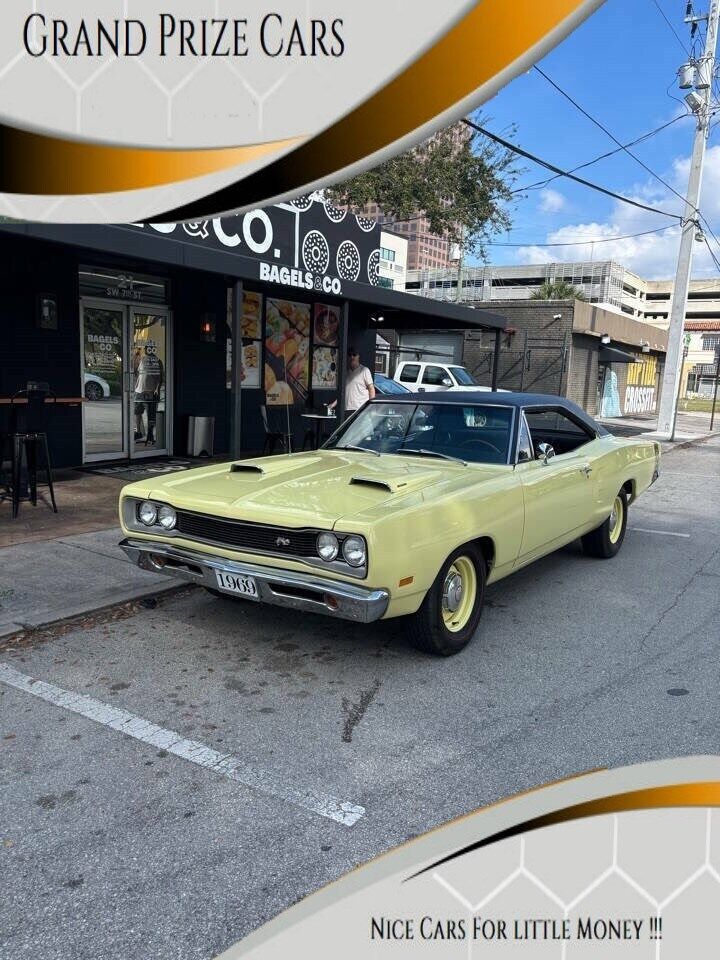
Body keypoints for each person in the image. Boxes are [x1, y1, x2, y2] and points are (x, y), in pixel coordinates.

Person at [329, 347, 376, 417]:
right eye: (350, 355)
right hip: (346, 409)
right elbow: (343, 393)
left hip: (360, 409)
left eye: (354, 355)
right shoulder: (346, 373)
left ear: (358, 356)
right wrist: (332, 405)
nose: (352, 357)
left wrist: (371, 407)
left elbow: (371, 389)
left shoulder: (364, 370)